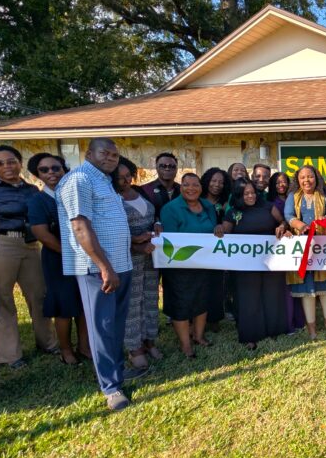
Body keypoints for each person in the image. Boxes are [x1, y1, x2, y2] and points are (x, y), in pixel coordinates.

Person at [57, 138, 144, 411]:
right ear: (89, 153)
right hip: (98, 269)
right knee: (102, 327)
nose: (110, 158)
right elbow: (80, 226)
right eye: (104, 153)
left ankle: (116, 373)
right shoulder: (79, 180)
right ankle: (111, 388)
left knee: (115, 325)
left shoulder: (104, 180)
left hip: (121, 263)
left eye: (115, 154)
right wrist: (105, 267)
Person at [0, 144, 56, 368]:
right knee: (3, 299)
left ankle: (48, 342)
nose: (7, 167)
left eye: (11, 161)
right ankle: (9, 354)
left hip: (31, 244)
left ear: (20, 162)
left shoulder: (31, 190)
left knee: (39, 295)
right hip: (1, 244)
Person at [27, 153, 90, 366]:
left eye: (56, 168)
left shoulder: (74, 195)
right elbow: (42, 234)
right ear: (38, 174)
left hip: (84, 257)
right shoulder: (38, 200)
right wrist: (72, 253)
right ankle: (66, 350)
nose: (51, 173)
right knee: (64, 306)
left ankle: (84, 346)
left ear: (64, 169)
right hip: (58, 259)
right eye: (44, 170)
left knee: (83, 303)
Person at [160, 172, 226, 356]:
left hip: (204, 263)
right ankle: (186, 344)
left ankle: (198, 336)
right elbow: (171, 239)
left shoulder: (207, 206)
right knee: (181, 303)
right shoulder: (171, 209)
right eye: (186, 185)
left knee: (202, 299)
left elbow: (214, 228)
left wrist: (218, 228)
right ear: (180, 188)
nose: (191, 188)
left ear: (201, 187)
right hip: (179, 266)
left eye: (195, 185)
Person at [222, 178, 290, 349]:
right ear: (239, 195)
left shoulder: (268, 207)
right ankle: (250, 335)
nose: (251, 196)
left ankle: (273, 331)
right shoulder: (233, 213)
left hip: (271, 261)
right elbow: (225, 234)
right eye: (246, 194)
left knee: (272, 294)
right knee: (248, 299)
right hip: (245, 265)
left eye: (253, 192)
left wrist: (282, 226)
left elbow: (283, 221)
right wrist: (218, 229)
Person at [114, 157, 161, 371]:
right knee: (133, 304)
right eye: (120, 177)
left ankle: (149, 340)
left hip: (151, 257)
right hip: (128, 257)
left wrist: (157, 225)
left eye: (128, 175)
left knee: (150, 298)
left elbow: (153, 215)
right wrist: (135, 243)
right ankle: (134, 348)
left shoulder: (140, 192)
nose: (125, 180)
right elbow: (111, 232)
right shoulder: (112, 198)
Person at [285, 165, 326, 339]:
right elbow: (288, 215)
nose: (307, 180)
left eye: (310, 176)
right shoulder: (292, 196)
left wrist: (325, 220)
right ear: (298, 180)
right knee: (307, 288)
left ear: (316, 177)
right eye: (303, 177)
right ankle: (312, 330)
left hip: (322, 246)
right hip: (301, 247)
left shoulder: (325, 194)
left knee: (325, 287)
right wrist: (301, 226)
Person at [267, 171, 304, 333]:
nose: (281, 185)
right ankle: (288, 324)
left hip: (295, 245)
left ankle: (299, 321)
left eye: (284, 182)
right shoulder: (270, 202)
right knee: (285, 289)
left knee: (295, 284)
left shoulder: (294, 198)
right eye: (277, 183)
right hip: (279, 247)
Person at [199, 167, 230, 329]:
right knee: (200, 283)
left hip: (218, 249)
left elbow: (230, 220)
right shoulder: (197, 198)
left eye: (221, 182)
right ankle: (197, 318)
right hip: (199, 249)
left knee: (216, 283)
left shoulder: (225, 203)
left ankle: (214, 319)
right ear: (207, 181)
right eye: (214, 181)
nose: (217, 185)